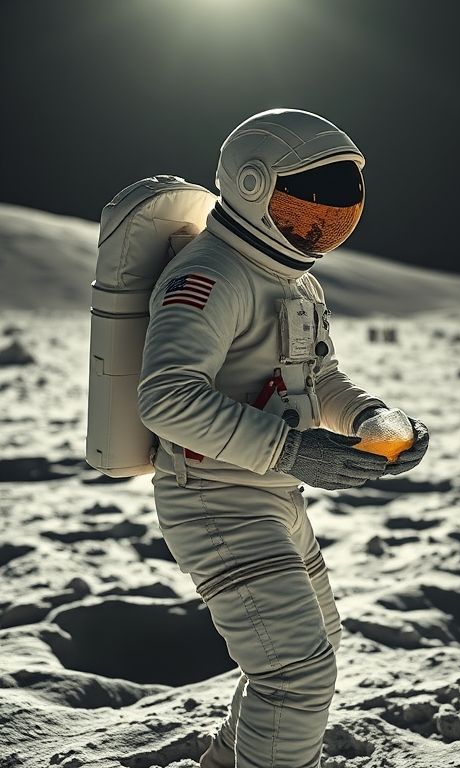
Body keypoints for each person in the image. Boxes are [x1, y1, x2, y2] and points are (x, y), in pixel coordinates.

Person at [136, 108, 429, 768]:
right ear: (250, 187)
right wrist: (293, 451)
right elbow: (165, 397)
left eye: (336, 214)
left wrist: (374, 420)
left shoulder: (296, 284)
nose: (319, 228)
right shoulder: (210, 276)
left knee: (308, 648)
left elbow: (317, 379)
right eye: (302, 207)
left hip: (270, 494)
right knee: (295, 675)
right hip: (214, 502)